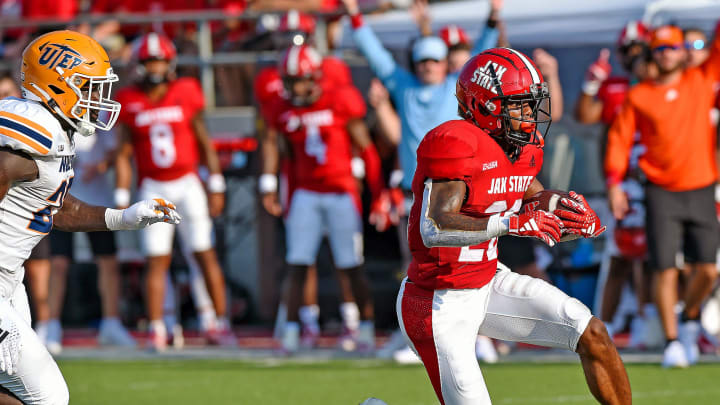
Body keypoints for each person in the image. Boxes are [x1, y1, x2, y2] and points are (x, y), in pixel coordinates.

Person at [399, 47, 631, 405]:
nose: (530, 114)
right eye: (519, 104)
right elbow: (435, 226)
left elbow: (530, 196)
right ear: (486, 105)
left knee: (590, 331)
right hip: (438, 301)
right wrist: (511, 223)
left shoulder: (519, 149)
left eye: (531, 103)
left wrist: (566, 210)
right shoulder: (456, 142)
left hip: (488, 280)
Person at [0, 30, 181, 404]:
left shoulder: (56, 133)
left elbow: (59, 208)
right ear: (57, 85)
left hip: (9, 281)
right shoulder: (31, 135)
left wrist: (125, 217)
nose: (98, 98)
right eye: (88, 86)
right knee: (49, 396)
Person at [260, 44, 390, 353]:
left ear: (316, 77)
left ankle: (366, 328)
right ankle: (292, 331)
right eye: (290, 81)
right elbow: (274, 144)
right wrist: (269, 185)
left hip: (341, 190)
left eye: (301, 80)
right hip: (306, 191)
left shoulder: (340, 99)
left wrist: (378, 193)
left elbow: (367, 149)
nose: (295, 88)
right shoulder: (282, 107)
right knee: (298, 262)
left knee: (351, 263)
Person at [606, 23, 720, 368]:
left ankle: (689, 320)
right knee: (664, 268)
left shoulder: (701, 80)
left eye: (673, 48)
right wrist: (614, 184)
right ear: (653, 54)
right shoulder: (639, 95)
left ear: (682, 51)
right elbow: (619, 140)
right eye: (661, 49)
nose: (668, 54)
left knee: (708, 270)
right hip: (659, 192)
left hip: (700, 187)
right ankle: (672, 342)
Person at [114, 33, 233, 351]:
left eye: (159, 60)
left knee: (204, 253)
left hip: (188, 182)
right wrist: (122, 198)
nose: (154, 67)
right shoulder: (129, 99)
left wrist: (216, 184)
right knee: (156, 260)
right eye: (149, 61)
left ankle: (219, 323)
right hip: (153, 186)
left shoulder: (186, 91)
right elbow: (124, 154)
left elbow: (205, 142)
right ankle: (157, 327)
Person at [575, 21, 655, 346]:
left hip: (664, 182)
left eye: (641, 49)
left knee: (659, 258)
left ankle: (652, 318)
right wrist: (593, 85)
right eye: (629, 50)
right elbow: (585, 115)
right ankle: (604, 325)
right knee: (621, 253)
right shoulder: (618, 87)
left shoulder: (670, 86)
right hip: (625, 184)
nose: (635, 56)